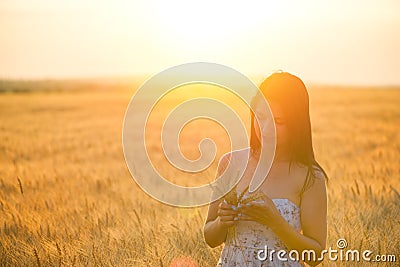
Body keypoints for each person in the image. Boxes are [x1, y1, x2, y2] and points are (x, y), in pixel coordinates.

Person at [203, 72, 328, 266]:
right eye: (260, 117)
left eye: (279, 122)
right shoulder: (231, 163)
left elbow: (315, 257)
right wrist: (222, 222)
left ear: (297, 124)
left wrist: (276, 222)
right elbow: (210, 238)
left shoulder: (309, 177)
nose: (266, 128)